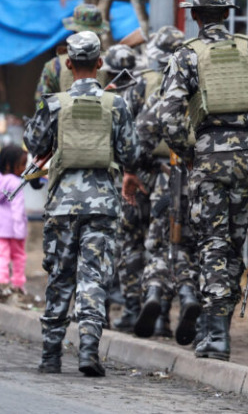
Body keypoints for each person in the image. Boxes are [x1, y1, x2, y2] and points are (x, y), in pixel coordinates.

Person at [141, 0, 248, 361]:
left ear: (196, 17)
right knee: (234, 244)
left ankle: (216, 337)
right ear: (227, 15)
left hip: (209, 159)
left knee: (212, 243)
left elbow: (168, 118)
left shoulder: (186, 56)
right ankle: (213, 328)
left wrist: (189, 154)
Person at [25, 31, 138, 377]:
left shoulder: (54, 102)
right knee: (93, 278)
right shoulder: (116, 103)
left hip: (62, 205)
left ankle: (50, 356)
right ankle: (89, 350)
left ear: (69, 63)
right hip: (102, 203)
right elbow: (131, 153)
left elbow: (32, 140)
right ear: (100, 64)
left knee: (60, 276)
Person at [127, 25, 203, 346]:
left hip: (166, 177)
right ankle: (188, 296)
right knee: (193, 247)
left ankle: (157, 302)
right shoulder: (209, 84)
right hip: (204, 179)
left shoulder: (161, 87)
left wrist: (136, 170)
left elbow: (141, 135)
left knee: (160, 245)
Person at [99, 44, 151, 334]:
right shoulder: (145, 93)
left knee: (122, 246)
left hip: (119, 182)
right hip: (149, 180)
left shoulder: (109, 100)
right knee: (151, 246)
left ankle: (124, 310)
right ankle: (154, 312)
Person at [34, 3, 110, 103]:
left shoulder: (54, 65)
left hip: (64, 117)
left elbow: (41, 102)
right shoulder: (110, 64)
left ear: (74, 30)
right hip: (104, 117)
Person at [0, 145, 33, 296]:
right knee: (19, 256)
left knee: (2, 256)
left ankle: (2, 283)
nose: (24, 168)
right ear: (9, 165)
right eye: (22, 164)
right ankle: (18, 284)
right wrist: (21, 229)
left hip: (2, 227)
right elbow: (18, 208)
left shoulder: (2, 180)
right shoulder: (16, 182)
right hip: (15, 228)